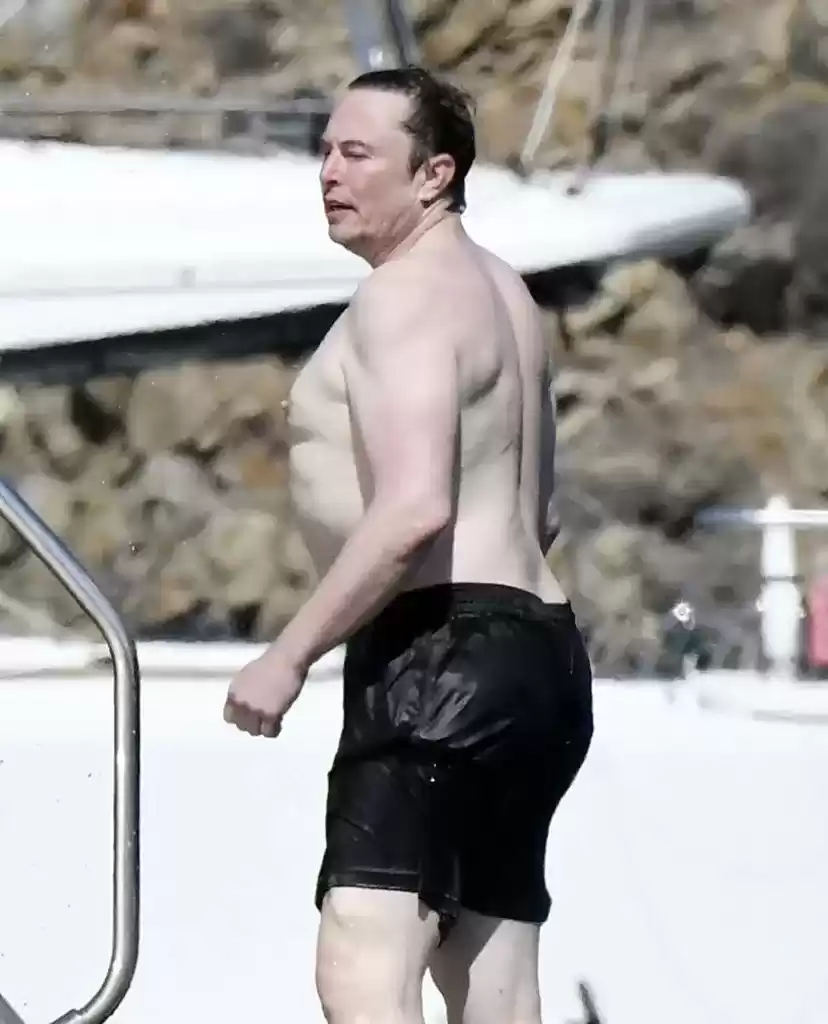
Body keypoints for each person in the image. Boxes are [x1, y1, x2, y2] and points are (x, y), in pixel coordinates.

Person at [223, 65, 594, 1024]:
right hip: (537, 654)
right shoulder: (504, 293)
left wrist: (288, 655)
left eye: (357, 154)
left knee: (363, 958)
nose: (329, 173)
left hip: (440, 653)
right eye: (324, 152)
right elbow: (539, 514)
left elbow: (415, 507)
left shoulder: (405, 297)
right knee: (492, 978)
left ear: (434, 175)